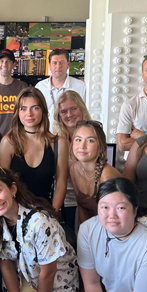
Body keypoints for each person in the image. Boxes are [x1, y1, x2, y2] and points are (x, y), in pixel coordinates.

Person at [0, 87, 68, 213]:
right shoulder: (8, 142)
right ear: (17, 113)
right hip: (16, 214)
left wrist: (51, 214)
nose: (29, 114)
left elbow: (61, 184)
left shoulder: (58, 143)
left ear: (43, 111)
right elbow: (3, 184)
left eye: (35, 108)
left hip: (47, 213)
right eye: (23, 109)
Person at [52, 90, 91, 229]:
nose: (69, 115)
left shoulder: (95, 134)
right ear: (58, 115)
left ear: (82, 108)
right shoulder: (54, 141)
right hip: (66, 203)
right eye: (64, 111)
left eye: (74, 109)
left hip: (91, 202)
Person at [70, 120, 120, 223]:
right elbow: (81, 207)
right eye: (78, 140)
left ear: (101, 147)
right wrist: (85, 234)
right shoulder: (73, 169)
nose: (82, 146)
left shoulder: (107, 176)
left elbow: (115, 218)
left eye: (90, 141)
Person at [117, 54, 147, 152]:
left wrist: (143, 135)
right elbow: (122, 144)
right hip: (137, 164)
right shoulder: (130, 105)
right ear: (142, 74)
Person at [35, 49, 86, 133]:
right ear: (49, 66)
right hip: (45, 136)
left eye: (62, 62)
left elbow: (84, 113)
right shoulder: (40, 87)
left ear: (68, 64)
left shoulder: (80, 86)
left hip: (72, 136)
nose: (58, 66)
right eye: (54, 63)